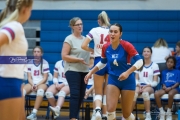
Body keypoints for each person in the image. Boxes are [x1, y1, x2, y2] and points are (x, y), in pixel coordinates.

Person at [84, 23, 143, 120]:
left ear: (120, 34)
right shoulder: (106, 47)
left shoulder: (126, 45)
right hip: (113, 80)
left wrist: (127, 72)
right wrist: (91, 72)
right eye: (111, 31)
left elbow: (140, 61)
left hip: (127, 81)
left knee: (127, 114)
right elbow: (102, 63)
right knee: (110, 111)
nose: (112, 34)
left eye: (115, 32)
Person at [0, 0, 33, 120]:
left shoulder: (13, 26)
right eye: (31, 10)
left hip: (15, 82)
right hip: (7, 82)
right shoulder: (15, 26)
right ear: (25, 10)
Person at [81, 11, 110, 120]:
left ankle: (97, 110)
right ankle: (105, 115)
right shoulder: (112, 31)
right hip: (110, 61)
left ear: (99, 20)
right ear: (108, 20)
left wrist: (92, 50)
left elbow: (83, 45)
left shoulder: (94, 30)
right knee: (106, 91)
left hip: (99, 61)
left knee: (98, 91)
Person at [61, 17, 90, 120]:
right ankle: (73, 118)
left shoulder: (85, 39)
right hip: (72, 69)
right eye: (77, 24)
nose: (80, 26)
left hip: (84, 71)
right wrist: (78, 59)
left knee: (82, 95)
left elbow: (89, 55)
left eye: (81, 24)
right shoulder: (69, 39)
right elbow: (64, 56)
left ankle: (75, 116)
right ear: (73, 26)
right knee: (75, 94)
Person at [132, 47, 160, 120]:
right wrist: (138, 84)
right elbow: (136, 79)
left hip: (150, 86)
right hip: (139, 85)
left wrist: (147, 85)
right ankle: (129, 114)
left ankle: (148, 115)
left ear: (151, 53)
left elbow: (155, 82)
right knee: (134, 94)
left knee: (145, 93)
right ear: (142, 53)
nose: (146, 53)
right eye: (144, 51)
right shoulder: (139, 64)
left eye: (148, 51)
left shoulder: (155, 65)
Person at [23, 46, 50, 120]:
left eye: (38, 52)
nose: (36, 53)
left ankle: (34, 113)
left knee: (40, 91)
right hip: (32, 83)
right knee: (22, 92)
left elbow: (45, 78)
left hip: (42, 83)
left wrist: (36, 85)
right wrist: (33, 85)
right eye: (35, 52)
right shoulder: (29, 63)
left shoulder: (45, 63)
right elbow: (29, 77)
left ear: (41, 53)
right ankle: (20, 113)